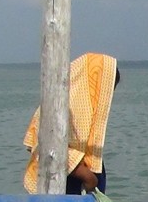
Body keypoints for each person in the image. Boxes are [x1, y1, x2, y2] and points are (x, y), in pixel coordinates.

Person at [23, 52, 120, 194]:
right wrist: (86, 176)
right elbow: (48, 145)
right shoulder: (61, 106)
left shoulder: (83, 107)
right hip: (63, 185)